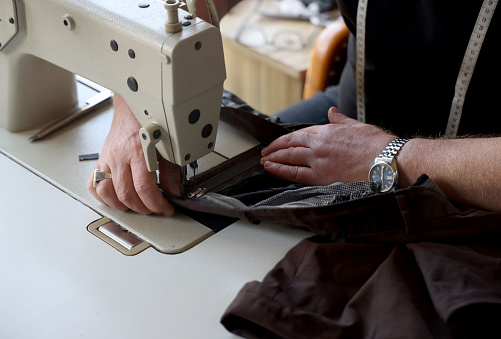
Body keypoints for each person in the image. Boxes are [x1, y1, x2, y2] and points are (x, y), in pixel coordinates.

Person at [88, 0, 501, 215]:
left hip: (477, 179)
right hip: (353, 117)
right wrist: (137, 93)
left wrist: (395, 157)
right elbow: (180, 7)